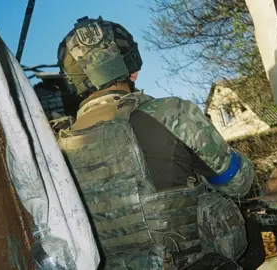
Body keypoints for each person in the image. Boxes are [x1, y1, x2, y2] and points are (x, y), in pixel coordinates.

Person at [56, 16, 255, 269]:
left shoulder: (54, 146)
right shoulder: (173, 114)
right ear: (133, 70)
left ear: (71, 81)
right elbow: (239, 183)